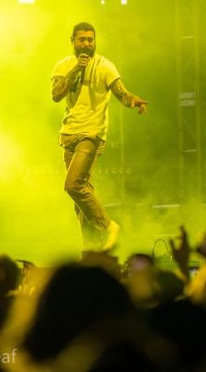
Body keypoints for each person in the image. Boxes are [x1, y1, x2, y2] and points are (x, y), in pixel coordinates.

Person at [51, 22, 148, 252]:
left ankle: (108, 226)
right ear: (72, 41)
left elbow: (121, 92)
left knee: (73, 185)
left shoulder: (105, 66)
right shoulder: (64, 65)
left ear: (95, 42)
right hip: (69, 134)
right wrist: (76, 69)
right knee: (82, 198)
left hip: (91, 134)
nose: (86, 43)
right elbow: (56, 95)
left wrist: (133, 100)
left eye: (90, 39)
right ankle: (90, 249)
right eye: (82, 39)